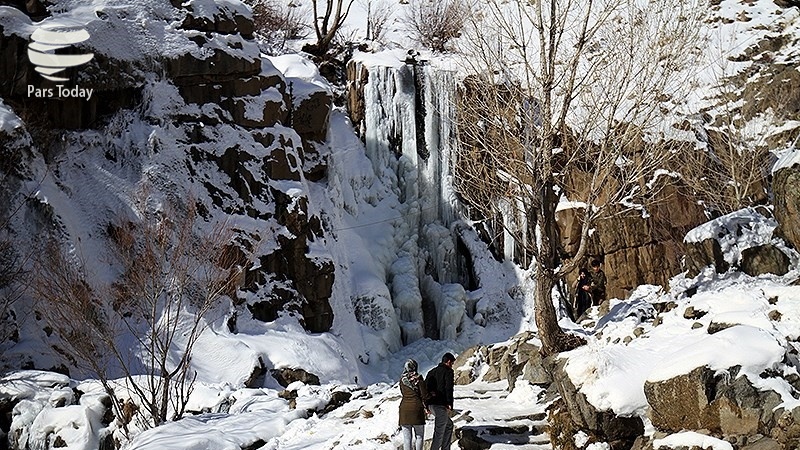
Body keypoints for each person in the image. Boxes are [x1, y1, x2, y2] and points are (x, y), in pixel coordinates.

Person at [425, 352, 455, 450]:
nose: (452, 366)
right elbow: (448, 388)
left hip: (431, 405)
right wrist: (449, 403)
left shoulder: (431, 372)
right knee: (439, 431)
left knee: (449, 425)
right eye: (452, 363)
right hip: (440, 405)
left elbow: (425, 388)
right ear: (449, 362)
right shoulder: (448, 372)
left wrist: (426, 405)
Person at [399, 359, 428, 450]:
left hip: (404, 409)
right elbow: (424, 394)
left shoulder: (402, 379)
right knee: (419, 436)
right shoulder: (418, 378)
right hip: (416, 408)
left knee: (407, 438)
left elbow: (402, 393)